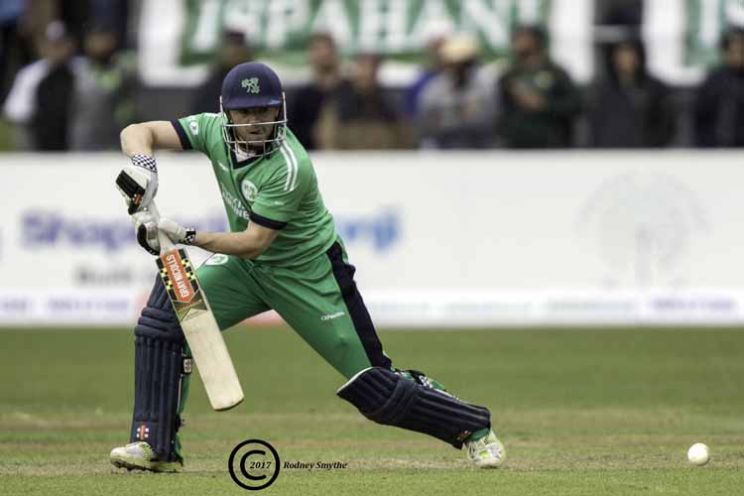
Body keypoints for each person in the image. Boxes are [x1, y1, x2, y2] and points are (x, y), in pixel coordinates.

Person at [109, 61, 505, 472]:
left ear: (278, 108)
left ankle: (473, 427)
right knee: (162, 324)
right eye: (245, 112)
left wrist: (186, 235)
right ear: (227, 111)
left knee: (376, 389)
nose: (255, 122)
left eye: (263, 110)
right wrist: (143, 167)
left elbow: (254, 242)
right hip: (246, 272)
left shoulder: (288, 165)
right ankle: (155, 445)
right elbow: (138, 131)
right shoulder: (211, 129)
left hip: (309, 274)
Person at [498, 25, 581, 148]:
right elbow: (501, 111)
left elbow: (576, 104)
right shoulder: (510, 75)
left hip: (551, 144)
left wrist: (544, 104)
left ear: (536, 40)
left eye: (523, 37)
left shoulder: (556, 73)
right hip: (517, 146)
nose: (517, 42)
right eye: (516, 38)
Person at [587, 39, 677, 148]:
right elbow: (595, 125)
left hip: (645, 153)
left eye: (630, 55)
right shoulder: (602, 90)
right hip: (609, 152)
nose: (625, 60)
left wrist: (652, 146)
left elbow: (666, 125)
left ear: (638, 57)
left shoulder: (655, 89)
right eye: (621, 56)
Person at [416, 35, 497, 149]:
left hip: (480, 143)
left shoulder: (486, 85)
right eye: (454, 64)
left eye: (463, 64)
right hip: (444, 143)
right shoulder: (435, 88)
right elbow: (427, 121)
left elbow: (489, 117)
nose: (458, 68)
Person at [315, 52, 410, 149]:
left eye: (373, 66)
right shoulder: (338, 104)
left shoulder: (390, 105)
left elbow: (403, 140)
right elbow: (327, 140)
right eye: (363, 66)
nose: (368, 72)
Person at [287, 32, 341, 149]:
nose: (324, 53)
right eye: (318, 49)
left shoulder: (349, 92)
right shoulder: (300, 98)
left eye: (327, 48)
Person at [694, 27, 744, 148]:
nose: (736, 56)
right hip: (714, 149)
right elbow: (699, 118)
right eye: (732, 51)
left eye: (741, 51)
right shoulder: (713, 81)